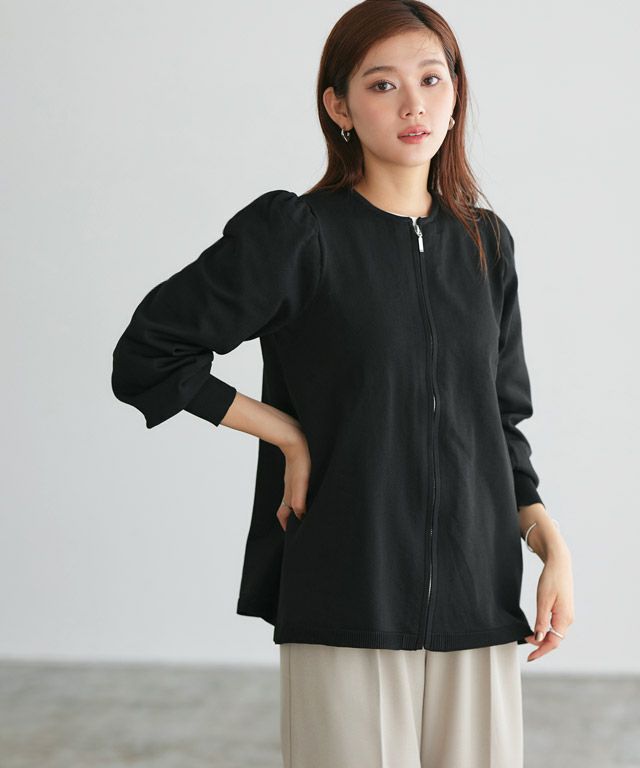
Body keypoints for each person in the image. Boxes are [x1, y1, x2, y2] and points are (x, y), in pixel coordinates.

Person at [111, 1, 575, 765]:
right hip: (347, 585)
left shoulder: (485, 243)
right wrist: (286, 433)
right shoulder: (297, 235)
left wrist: (547, 540)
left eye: (431, 79)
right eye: (383, 84)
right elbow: (150, 352)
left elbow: (500, 417)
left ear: (457, 91)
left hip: (478, 592)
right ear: (339, 107)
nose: (414, 104)